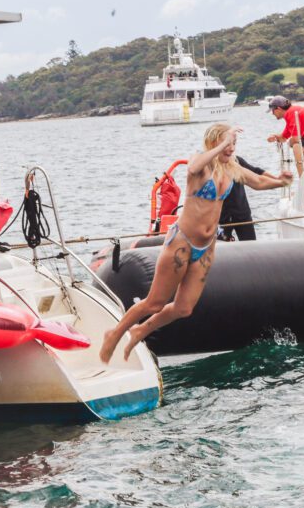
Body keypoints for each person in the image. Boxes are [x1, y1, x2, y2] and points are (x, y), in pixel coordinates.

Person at [99, 123, 293, 363]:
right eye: (227, 143)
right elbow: (193, 166)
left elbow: (259, 182)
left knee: (184, 308)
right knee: (155, 302)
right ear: (214, 142)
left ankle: (140, 331)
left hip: (206, 248)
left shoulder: (232, 168)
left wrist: (281, 182)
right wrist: (222, 144)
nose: (231, 148)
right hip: (182, 242)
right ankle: (115, 334)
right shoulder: (200, 163)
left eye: (234, 144)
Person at [219, 156, 284, 241]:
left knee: (250, 246)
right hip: (221, 218)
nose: (231, 148)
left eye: (233, 144)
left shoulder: (236, 161)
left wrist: (277, 180)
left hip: (242, 215)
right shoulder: (209, 166)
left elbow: (256, 173)